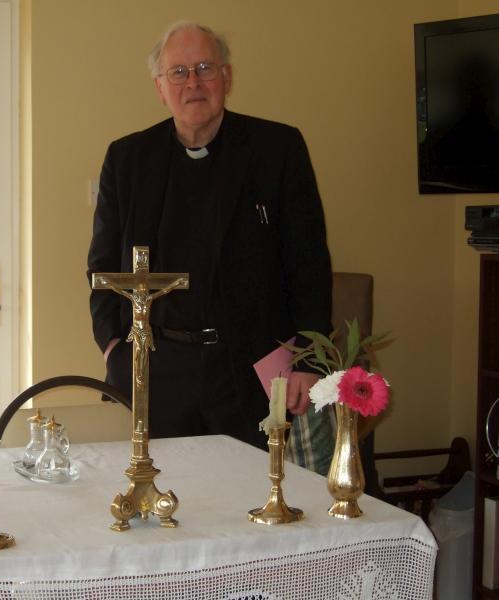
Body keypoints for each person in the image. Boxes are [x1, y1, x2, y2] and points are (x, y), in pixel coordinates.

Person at [87, 21, 332, 451]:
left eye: (205, 68)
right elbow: (102, 266)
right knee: (162, 499)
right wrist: (114, 349)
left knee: (250, 500)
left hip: (249, 368)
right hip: (155, 367)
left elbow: (309, 263)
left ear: (227, 78)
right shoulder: (127, 159)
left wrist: (309, 360)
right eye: (178, 72)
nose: (193, 83)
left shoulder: (277, 149)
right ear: (160, 87)